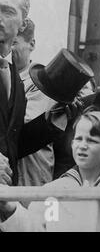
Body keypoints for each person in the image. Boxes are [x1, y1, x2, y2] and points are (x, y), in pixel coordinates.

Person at [0, 0, 77, 186]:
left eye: (7, 11)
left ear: (22, 25)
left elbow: (12, 143)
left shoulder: (13, 78)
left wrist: (51, 121)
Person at [0, 111, 100, 232]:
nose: (82, 146)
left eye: (92, 141)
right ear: (72, 144)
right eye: (78, 139)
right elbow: (40, 228)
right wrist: (11, 209)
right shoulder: (54, 190)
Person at [12, 18, 56, 186]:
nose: (6, 48)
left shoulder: (40, 81)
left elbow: (21, 129)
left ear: (32, 44)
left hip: (29, 173)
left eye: (14, 42)